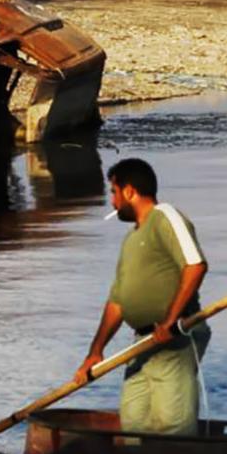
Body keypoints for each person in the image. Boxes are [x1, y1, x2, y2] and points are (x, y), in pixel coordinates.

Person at [74, 157, 210, 436]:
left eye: (113, 192)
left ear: (129, 192)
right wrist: (95, 352)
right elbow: (118, 302)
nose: (112, 202)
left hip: (176, 337)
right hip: (142, 344)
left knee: (173, 425)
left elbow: (195, 265)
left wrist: (170, 321)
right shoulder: (130, 240)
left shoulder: (166, 216)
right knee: (134, 422)